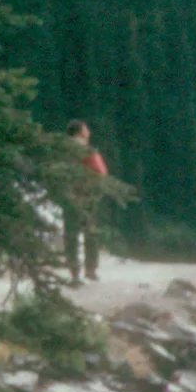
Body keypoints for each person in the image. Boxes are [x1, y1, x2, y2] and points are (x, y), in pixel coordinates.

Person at [65, 119, 106, 281]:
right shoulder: (86, 149)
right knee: (90, 232)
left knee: (71, 234)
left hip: (69, 194)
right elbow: (100, 171)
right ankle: (90, 269)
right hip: (87, 194)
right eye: (86, 128)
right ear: (80, 132)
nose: (88, 131)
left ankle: (74, 271)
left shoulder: (63, 149)